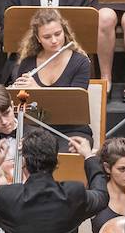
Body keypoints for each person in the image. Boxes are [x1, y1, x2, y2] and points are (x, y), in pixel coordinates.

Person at [10, 8, 93, 140]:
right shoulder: (27, 63)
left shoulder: (81, 62)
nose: (54, 40)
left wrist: (38, 90)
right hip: (36, 129)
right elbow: (23, 108)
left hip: (71, 130)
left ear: (64, 32)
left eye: (58, 34)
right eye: (47, 37)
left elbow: (73, 108)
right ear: (38, 38)